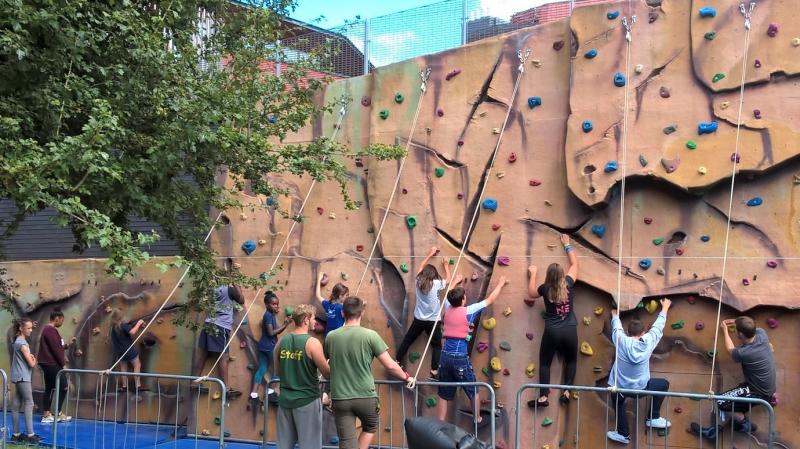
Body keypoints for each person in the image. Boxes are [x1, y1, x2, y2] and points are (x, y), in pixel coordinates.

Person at [325, 296, 414, 449]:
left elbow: (327, 362)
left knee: (346, 441)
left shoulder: (331, 337)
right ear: (362, 313)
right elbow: (390, 366)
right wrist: (406, 377)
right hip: (365, 395)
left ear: (342, 313)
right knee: (370, 426)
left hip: (340, 397)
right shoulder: (370, 335)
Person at [436, 276, 508, 425]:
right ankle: (477, 418)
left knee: (443, 392)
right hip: (459, 357)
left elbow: (449, 294)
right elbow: (490, 300)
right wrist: (500, 283)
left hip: (444, 356)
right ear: (463, 300)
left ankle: (440, 422)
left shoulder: (447, 309)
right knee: (473, 388)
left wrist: (455, 281)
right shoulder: (468, 311)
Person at [691, 316, 776, 439]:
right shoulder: (762, 334)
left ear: (740, 334)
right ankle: (713, 432)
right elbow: (750, 324)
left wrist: (725, 330)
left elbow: (731, 350)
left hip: (758, 391)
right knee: (727, 402)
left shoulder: (744, 353)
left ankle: (745, 425)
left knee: (721, 401)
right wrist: (736, 321)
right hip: (764, 386)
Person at [606, 299, 673, 445]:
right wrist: (665, 307)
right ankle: (653, 417)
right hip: (641, 389)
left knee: (616, 398)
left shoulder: (621, 341)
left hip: (620, 389)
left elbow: (616, 327)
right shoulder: (648, 341)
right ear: (643, 332)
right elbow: (658, 326)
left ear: (628, 332)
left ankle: (623, 434)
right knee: (663, 385)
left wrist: (614, 315)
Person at [527, 233, 579, 407]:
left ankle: (543, 397)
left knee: (545, 363)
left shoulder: (545, 288)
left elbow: (531, 293)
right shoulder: (569, 283)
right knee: (571, 360)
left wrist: (533, 274)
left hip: (552, 331)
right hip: (570, 329)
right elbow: (575, 264)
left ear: (549, 276)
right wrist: (567, 245)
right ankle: (566, 392)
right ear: (562, 276)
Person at [275, 304, 330, 449]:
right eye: (313, 318)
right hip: (307, 400)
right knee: (309, 445)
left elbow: (278, 371)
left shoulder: (281, 341)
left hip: (285, 399)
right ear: (306, 319)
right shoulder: (312, 343)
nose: (315, 322)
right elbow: (327, 373)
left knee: (283, 446)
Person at [395, 246, 450, 379]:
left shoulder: (418, 281)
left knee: (408, 339)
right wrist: (446, 265)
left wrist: (429, 254)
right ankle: (434, 371)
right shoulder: (436, 284)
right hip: (433, 321)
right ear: (434, 275)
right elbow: (448, 279)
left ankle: (397, 360)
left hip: (419, 319)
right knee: (436, 346)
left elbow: (420, 267)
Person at [192, 282, 244, 397]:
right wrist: (237, 285)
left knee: (203, 354)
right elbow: (241, 300)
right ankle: (226, 388)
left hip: (208, 324)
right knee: (224, 356)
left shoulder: (211, 288)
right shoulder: (229, 290)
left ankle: (194, 383)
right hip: (221, 326)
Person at [250, 291, 289, 400]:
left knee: (262, 368)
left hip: (263, 346)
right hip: (269, 347)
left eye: (277, 304)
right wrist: (285, 325)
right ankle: (270, 392)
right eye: (273, 304)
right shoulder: (267, 316)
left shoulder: (269, 314)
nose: (276, 306)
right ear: (267, 305)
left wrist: (275, 311)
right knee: (279, 368)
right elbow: (271, 333)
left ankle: (253, 394)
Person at [38, 309, 72, 423]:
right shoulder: (50, 330)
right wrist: (63, 364)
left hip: (48, 363)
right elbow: (55, 349)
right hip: (51, 363)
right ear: (57, 318)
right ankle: (56, 413)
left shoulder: (50, 330)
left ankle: (47, 414)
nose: (62, 322)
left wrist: (67, 345)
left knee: (50, 388)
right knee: (64, 387)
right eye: (62, 320)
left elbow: (58, 346)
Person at [10, 318, 39, 444]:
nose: (31, 330)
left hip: (18, 376)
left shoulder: (18, 341)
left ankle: (16, 434)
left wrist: (30, 357)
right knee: (29, 403)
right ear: (21, 328)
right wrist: (34, 359)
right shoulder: (22, 343)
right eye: (28, 328)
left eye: (31, 328)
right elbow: (31, 364)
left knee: (16, 404)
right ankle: (31, 435)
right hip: (23, 377)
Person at [110, 309, 147, 391]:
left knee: (123, 368)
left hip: (120, 352)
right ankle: (138, 386)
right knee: (137, 365)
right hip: (128, 350)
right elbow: (132, 332)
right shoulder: (123, 325)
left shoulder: (113, 328)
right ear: (121, 317)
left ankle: (124, 387)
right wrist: (139, 323)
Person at [316, 271, 349, 336]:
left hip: (328, 336)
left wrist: (319, 279)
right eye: (346, 295)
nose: (348, 297)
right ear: (340, 296)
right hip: (338, 337)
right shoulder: (342, 307)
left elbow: (318, 295)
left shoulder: (327, 304)